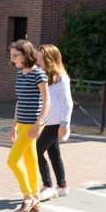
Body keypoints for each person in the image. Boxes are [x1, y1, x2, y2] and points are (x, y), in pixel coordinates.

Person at [7, 39, 51, 212]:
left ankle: (27, 198)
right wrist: (14, 125)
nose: (13, 59)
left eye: (15, 55)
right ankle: (35, 197)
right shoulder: (20, 74)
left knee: (12, 160)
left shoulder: (38, 74)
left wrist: (39, 124)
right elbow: (20, 101)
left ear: (26, 55)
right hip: (23, 123)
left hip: (33, 124)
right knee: (31, 160)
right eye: (11, 56)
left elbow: (47, 101)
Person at [36, 44, 74, 201]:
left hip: (56, 123)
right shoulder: (46, 77)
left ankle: (48, 185)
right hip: (48, 122)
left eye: (41, 58)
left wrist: (65, 124)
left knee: (36, 151)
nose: (38, 61)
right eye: (38, 58)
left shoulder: (61, 78)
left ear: (50, 59)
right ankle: (62, 186)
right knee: (54, 153)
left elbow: (68, 102)